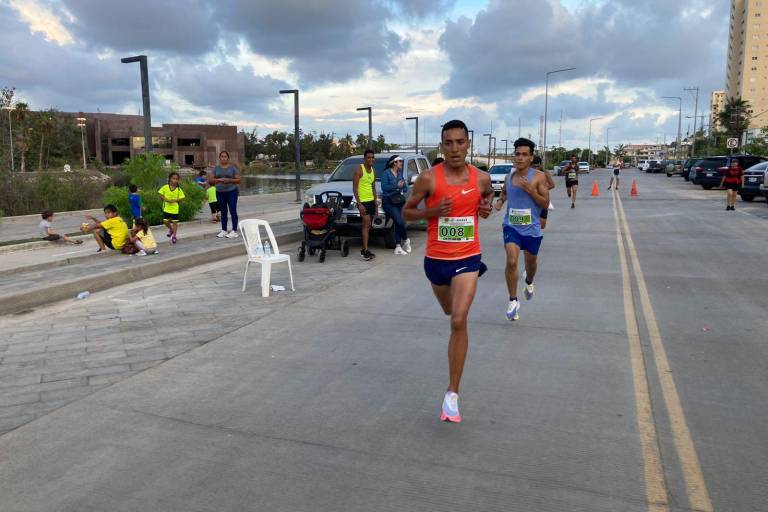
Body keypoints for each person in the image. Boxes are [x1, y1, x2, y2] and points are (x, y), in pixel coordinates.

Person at [403, 119, 493, 423]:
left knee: (458, 319)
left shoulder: (481, 178)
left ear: (468, 144)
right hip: (436, 262)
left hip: (468, 256)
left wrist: (486, 208)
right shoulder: (428, 179)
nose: (454, 148)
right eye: (449, 142)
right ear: (442, 145)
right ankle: (454, 313)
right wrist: (431, 212)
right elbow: (406, 213)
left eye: (460, 142)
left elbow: (488, 198)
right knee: (449, 312)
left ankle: (452, 394)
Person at [494, 138, 549, 321]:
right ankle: (513, 300)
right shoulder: (509, 176)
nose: (519, 158)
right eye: (517, 154)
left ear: (531, 157)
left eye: (524, 154)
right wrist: (501, 201)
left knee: (530, 266)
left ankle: (529, 281)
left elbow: (545, 203)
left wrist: (531, 191)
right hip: (511, 226)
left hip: (532, 229)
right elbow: (504, 192)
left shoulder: (539, 177)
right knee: (511, 261)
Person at [380, 155, 411, 255]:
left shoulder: (399, 174)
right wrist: (397, 186)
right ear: (394, 163)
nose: (401, 163)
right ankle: (406, 240)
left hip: (398, 200)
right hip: (388, 201)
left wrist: (403, 185)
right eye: (400, 161)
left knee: (399, 223)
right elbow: (384, 187)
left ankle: (398, 246)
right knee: (399, 221)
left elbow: (405, 189)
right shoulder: (386, 173)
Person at [352, 148, 377, 260]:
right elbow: (355, 188)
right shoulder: (359, 170)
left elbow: (373, 187)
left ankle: (364, 249)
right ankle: (365, 251)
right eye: (368, 157)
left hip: (371, 200)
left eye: (372, 157)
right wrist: (359, 203)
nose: (370, 159)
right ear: (364, 158)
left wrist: (375, 203)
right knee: (366, 224)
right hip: (363, 202)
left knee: (368, 225)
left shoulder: (373, 170)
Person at [213, 151, 241, 238]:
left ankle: (234, 231)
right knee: (223, 212)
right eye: (222, 156)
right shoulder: (216, 168)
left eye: (225, 156)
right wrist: (219, 180)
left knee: (233, 211)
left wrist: (229, 180)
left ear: (228, 158)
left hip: (231, 191)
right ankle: (224, 230)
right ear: (219, 158)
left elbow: (239, 180)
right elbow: (210, 180)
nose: (223, 158)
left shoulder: (232, 168)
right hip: (220, 192)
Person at [158, 171, 186, 244]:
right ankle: (171, 229)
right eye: (173, 178)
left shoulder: (179, 189)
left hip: (175, 208)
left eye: (177, 179)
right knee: (165, 221)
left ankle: (174, 236)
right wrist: (165, 199)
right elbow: (160, 195)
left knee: (175, 222)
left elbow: (182, 198)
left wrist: (175, 200)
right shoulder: (165, 187)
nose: (175, 180)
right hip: (166, 207)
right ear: (170, 179)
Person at [532, 155, 555, 229]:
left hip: (543, 200)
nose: (536, 168)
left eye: (537, 166)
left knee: (542, 225)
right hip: (531, 201)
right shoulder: (528, 173)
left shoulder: (545, 172)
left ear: (540, 164)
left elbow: (552, 185)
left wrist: (542, 189)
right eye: (534, 166)